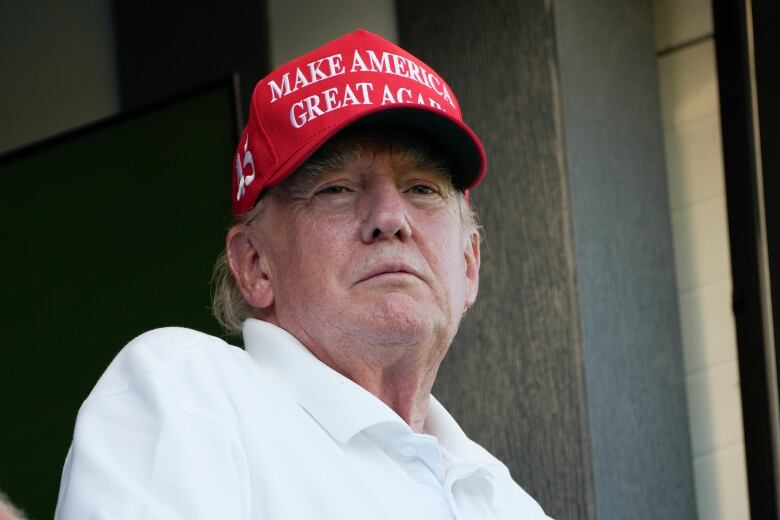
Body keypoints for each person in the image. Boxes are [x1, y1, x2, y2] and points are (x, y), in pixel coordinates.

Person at [55, 29, 551, 519]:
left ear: (469, 264)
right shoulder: (186, 393)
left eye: (421, 189)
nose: (390, 218)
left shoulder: (506, 502)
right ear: (254, 264)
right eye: (336, 189)